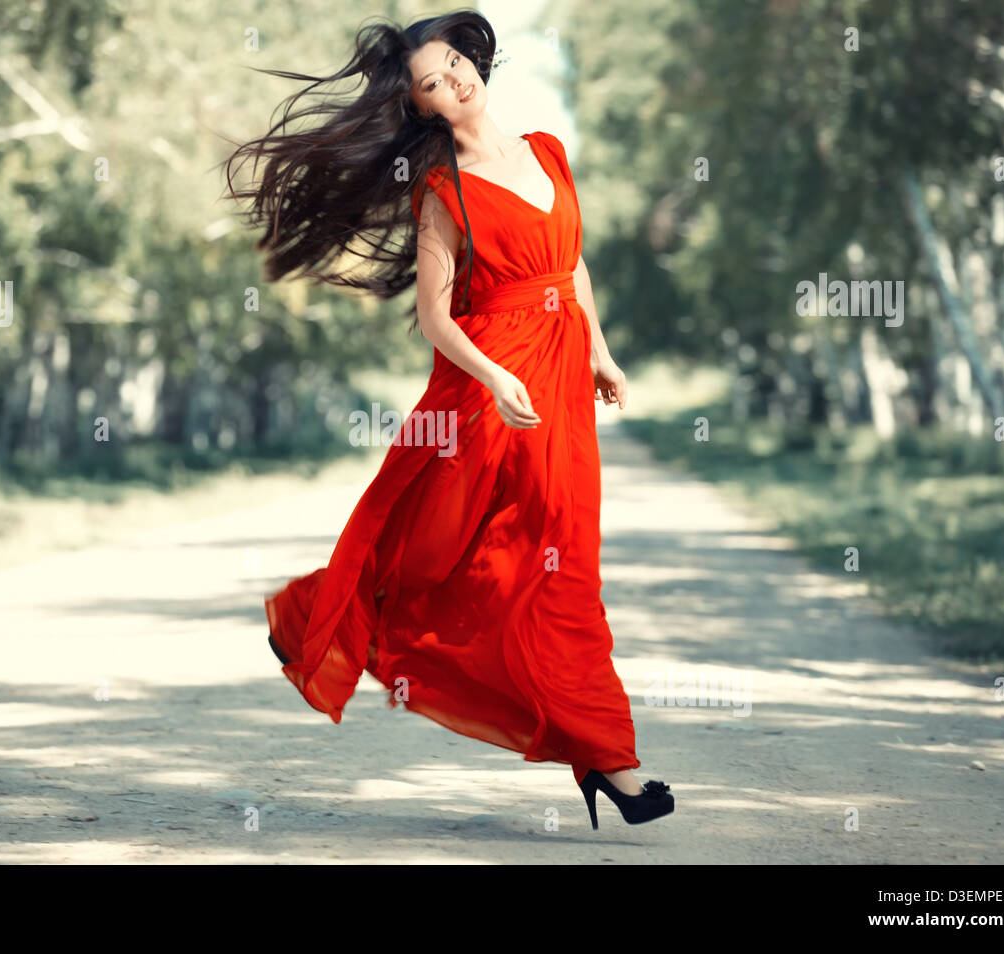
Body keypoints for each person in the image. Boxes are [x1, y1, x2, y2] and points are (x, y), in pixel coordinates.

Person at [222, 10, 674, 828]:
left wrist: (600, 353)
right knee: (440, 542)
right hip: (490, 382)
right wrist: (496, 379)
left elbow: (570, 267)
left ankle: (599, 751)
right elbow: (437, 318)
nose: (454, 81)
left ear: (475, 59)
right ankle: (324, 619)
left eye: (456, 63)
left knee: (560, 559)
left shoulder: (547, 151)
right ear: (422, 109)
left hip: (561, 376)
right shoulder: (442, 191)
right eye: (432, 82)